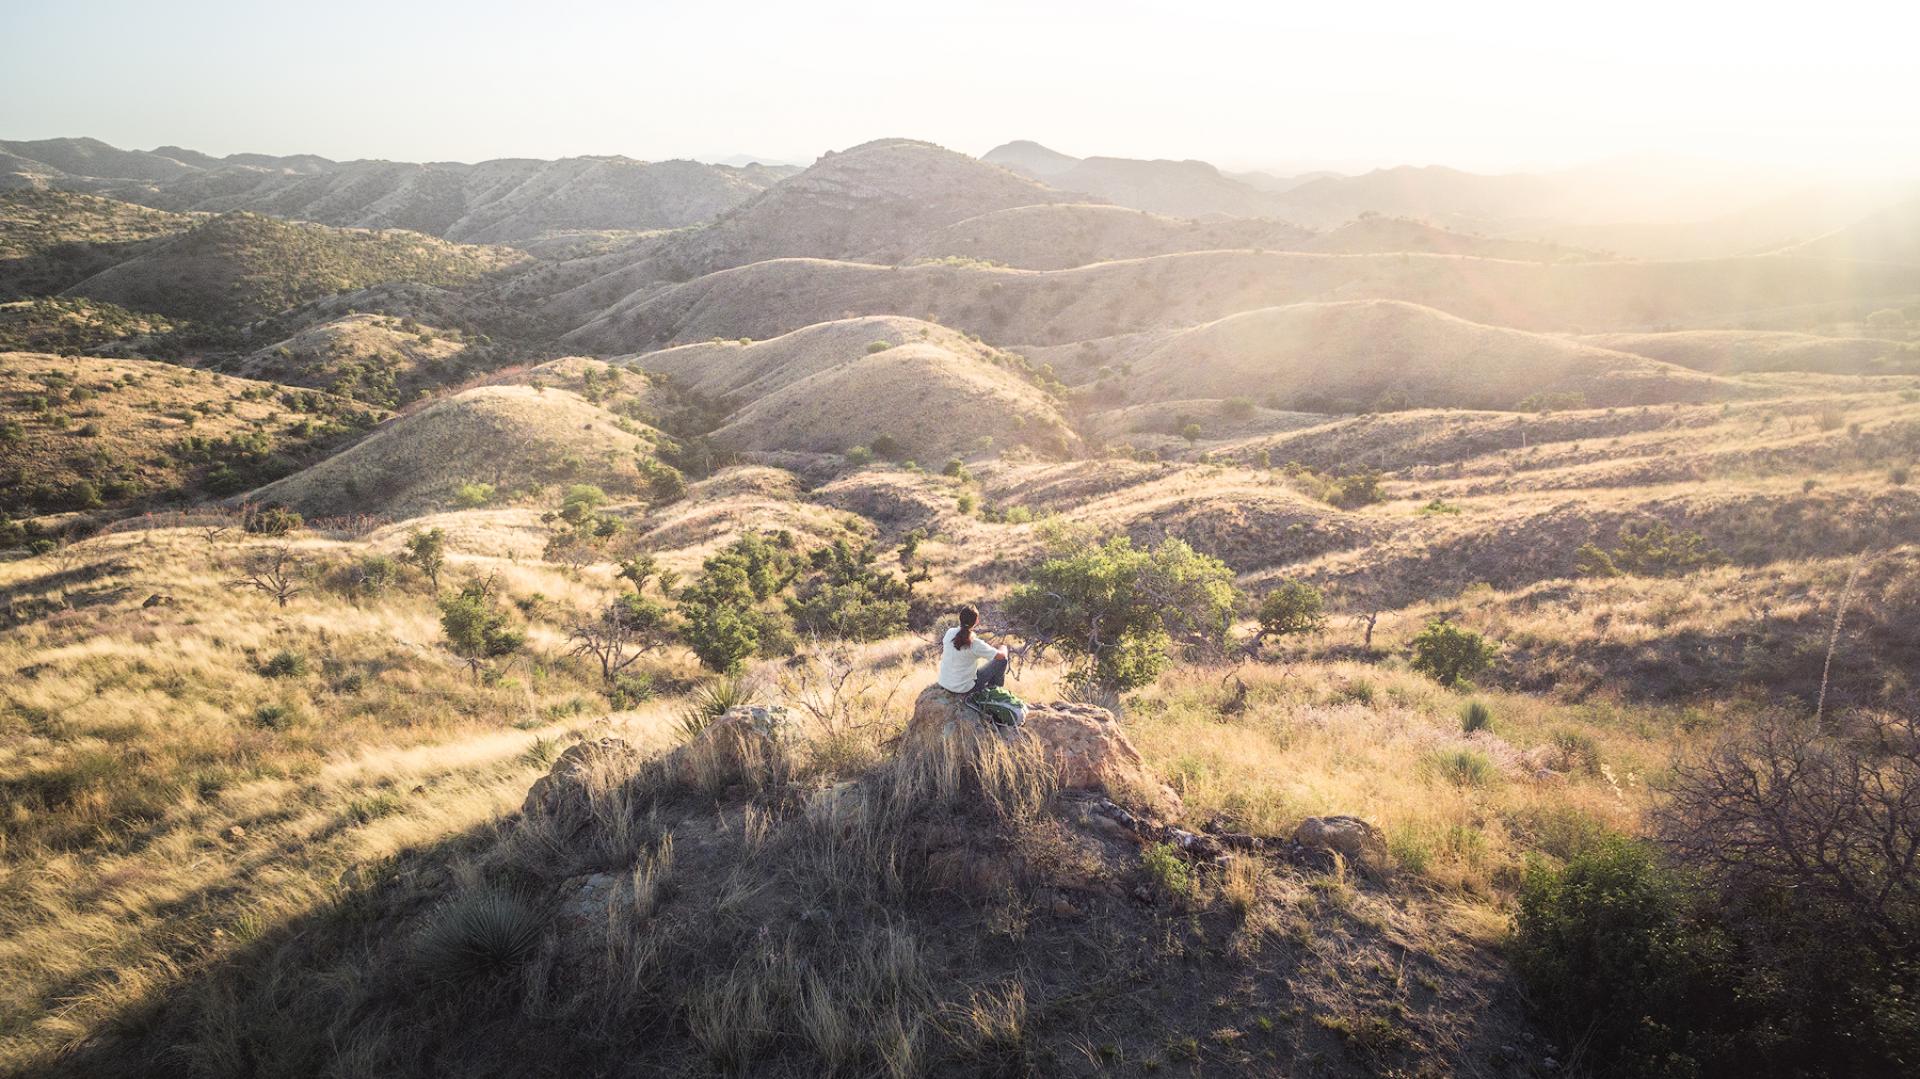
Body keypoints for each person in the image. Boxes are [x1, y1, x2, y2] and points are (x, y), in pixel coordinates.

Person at [938, 604, 1008, 697]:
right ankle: (994, 692)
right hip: (965, 688)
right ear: (977, 621)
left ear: (960, 618)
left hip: (945, 683)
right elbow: (1001, 656)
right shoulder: (975, 643)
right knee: (1003, 660)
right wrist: (1003, 647)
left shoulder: (949, 632)